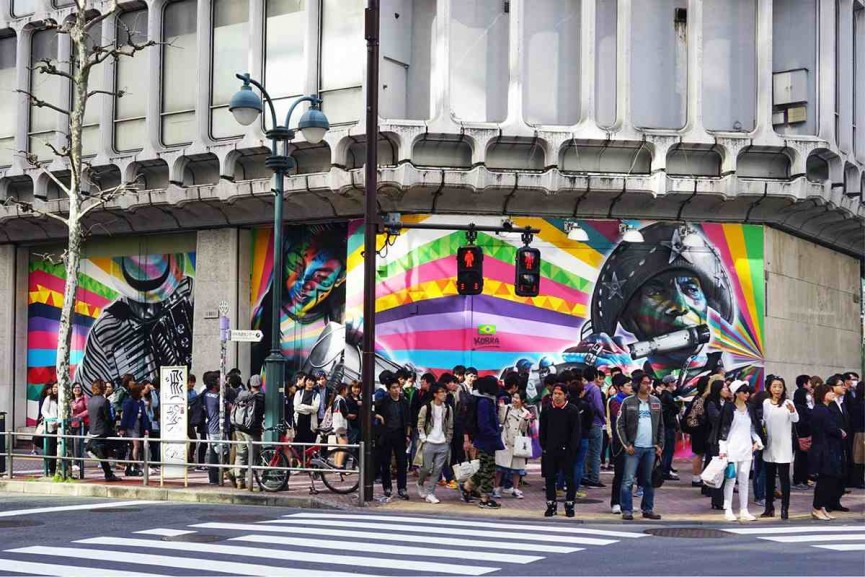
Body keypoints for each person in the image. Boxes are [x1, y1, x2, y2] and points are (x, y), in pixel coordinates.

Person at [616, 372, 664, 521]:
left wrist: (660, 445)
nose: (648, 386)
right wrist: (626, 445)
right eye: (644, 383)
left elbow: (661, 425)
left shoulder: (656, 402)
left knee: (649, 481)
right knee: (628, 480)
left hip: (651, 448)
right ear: (637, 384)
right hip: (633, 448)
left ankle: (648, 509)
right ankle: (627, 510)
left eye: (649, 383)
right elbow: (619, 425)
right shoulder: (628, 402)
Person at [717, 381, 764, 522]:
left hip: (746, 450)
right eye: (744, 391)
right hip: (731, 450)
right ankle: (728, 509)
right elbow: (723, 430)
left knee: (744, 480)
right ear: (736, 393)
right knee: (730, 480)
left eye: (748, 392)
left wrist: (757, 441)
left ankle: (744, 510)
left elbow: (753, 428)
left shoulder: (750, 408)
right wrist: (722, 449)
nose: (747, 394)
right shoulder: (728, 408)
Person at [461, 376, 504, 509]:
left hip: (485, 440)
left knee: (482, 467)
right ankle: (485, 498)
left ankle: (467, 487)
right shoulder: (485, 402)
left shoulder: (485, 400)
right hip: (487, 441)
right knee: (488, 470)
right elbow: (484, 423)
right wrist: (495, 433)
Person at [539, 383, 581, 517]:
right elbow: (542, 430)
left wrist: (571, 448)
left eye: (559, 394)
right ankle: (551, 505)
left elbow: (576, 432)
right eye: (555, 394)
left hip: (567, 450)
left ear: (565, 395)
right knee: (550, 478)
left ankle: (570, 505)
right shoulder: (546, 409)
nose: (556, 396)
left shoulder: (572, 410)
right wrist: (544, 446)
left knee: (569, 479)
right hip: (550, 449)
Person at [761, 376, 798, 519]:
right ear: (769, 388)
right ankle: (769, 507)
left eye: (780, 386)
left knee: (784, 479)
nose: (777, 389)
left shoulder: (788, 402)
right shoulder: (766, 403)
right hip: (770, 445)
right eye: (775, 386)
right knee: (769, 479)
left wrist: (792, 411)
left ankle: (784, 508)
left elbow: (796, 419)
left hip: (784, 445)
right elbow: (764, 421)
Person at [809, 383, 845, 520]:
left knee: (829, 479)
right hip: (824, 449)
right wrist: (839, 432)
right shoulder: (821, 410)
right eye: (829, 392)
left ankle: (821, 506)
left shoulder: (826, 409)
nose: (832, 394)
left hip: (829, 447)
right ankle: (817, 507)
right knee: (826, 479)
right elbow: (829, 428)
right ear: (822, 395)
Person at [415, 384, 453, 504]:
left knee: (437, 470)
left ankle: (430, 493)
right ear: (435, 394)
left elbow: (450, 425)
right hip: (429, 442)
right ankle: (420, 483)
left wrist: (447, 440)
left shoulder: (448, 408)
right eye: (442, 392)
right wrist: (423, 438)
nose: (444, 394)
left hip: (442, 442)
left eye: (445, 392)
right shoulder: (426, 407)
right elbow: (420, 424)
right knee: (426, 468)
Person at [375, 378, 411, 499]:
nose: (396, 390)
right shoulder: (384, 401)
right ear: (389, 389)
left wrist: (407, 435)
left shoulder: (404, 401)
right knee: (386, 462)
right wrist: (379, 417)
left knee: (402, 462)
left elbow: (408, 419)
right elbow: (371, 409)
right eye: (393, 388)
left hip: (400, 434)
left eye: (397, 387)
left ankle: (402, 488)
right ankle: (387, 487)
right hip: (386, 434)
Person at [493, 391, 532, 500]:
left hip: (517, 442)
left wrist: (526, 419)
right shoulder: (506, 408)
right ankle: (496, 488)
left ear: (522, 400)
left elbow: (523, 429)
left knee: (517, 468)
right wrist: (501, 408)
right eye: (514, 397)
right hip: (505, 439)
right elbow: (501, 420)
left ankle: (515, 488)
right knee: (500, 467)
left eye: (517, 398)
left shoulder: (525, 412)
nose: (514, 400)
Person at [229, 375, 265, 489]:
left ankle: (239, 480)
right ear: (260, 384)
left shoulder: (242, 395)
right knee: (253, 456)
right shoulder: (260, 397)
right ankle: (251, 482)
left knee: (241, 454)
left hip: (239, 428)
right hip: (252, 430)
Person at [86, 379, 121, 481]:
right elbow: (108, 418)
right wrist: (115, 419)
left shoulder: (90, 401)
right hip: (103, 430)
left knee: (103, 454)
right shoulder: (104, 401)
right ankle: (92, 447)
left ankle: (108, 474)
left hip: (93, 429)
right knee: (120, 444)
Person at [705, 378, 730, 509]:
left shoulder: (727, 402)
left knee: (726, 471)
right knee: (718, 470)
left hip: (728, 439)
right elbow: (716, 418)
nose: (727, 390)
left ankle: (722, 499)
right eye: (724, 387)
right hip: (716, 440)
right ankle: (717, 500)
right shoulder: (711, 403)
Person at [607, 373, 631, 514]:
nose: (631, 387)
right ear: (620, 387)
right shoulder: (615, 401)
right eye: (628, 385)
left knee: (629, 475)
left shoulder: (632, 400)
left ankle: (626, 502)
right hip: (620, 442)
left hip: (632, 441)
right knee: (620, 473)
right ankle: (615, 502)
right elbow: (620, 420)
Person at [826, 375, 850, 512]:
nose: (844, 387)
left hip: (843, 443)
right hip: (832, 443)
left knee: (842, 472)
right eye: (841, 385)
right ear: (832, 387)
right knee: (832, 473)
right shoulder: (829, 404)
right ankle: (828, 502)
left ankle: (836, 501)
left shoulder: (842, 402)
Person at [118, 382, 152, 477]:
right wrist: (122, 428)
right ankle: (134, 465)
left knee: (136, 446)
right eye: (142, 390)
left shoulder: (141, 402)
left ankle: (131, 465)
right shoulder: (129, 402)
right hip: (131, 426)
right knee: (136, 445)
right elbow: (125, 416)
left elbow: (144, 416)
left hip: (138, 426)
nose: (143, 392)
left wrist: (146, 428)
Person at [582, 367, 607, 488]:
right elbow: (598, 406)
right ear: (595, 376)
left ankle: (585, 476)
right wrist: (603, 418)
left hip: (585, 423)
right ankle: (594, 478)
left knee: (586, 452)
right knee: (596, 452)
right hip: (596, 422)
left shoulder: (584, 388)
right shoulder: (595, 389)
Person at [202, 372, 228, 485]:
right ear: (214, 383)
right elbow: (230, 407)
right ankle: (219, 476)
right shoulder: (218, 397)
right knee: (223, 452)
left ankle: (214, 478)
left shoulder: (206, 395)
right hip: (217, 427)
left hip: (210, 426)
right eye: (219, 381)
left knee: (213, 453)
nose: (221, 383)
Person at [792, 375, 814, 489]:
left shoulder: (806, 406)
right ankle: (798, 480)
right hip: (801, 436)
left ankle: (804, 479)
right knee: (800, 459)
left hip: (806, 435)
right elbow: (801, 422)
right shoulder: (800, 407)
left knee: (805, 459)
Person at [658, 375, 680, 481]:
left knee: (667, 449)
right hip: (668, 426)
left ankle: (665, 470)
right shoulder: (667, 396)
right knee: (668, 449)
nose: (675, 384)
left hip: (666, 425)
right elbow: (676, 409)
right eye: (674, 382)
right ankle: (665, 471)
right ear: (670, 383)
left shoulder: (664, 395)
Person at [293, 374, 322, 446]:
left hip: (310, 423)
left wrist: (302, 406)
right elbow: (296, 407)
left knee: (309, 444)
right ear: (305, 381)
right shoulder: (298, 393)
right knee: (298, 444)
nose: (310, 382)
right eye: (309, 380)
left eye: (312, 381)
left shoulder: (316, 395)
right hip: (299, 422)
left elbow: (315, 409)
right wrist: (309, 408)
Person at [40, 383, 59, 475]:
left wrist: (59, 422)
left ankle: (62, 468)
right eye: (54, 387)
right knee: (51, 448)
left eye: (57, 387)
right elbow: (44, 411)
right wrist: (52, 421)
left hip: (61, 427)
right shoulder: (48, 398)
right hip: (51, 427)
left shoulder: (65, 398)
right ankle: (52, 469)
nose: (55, 389)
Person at [70, 382, 90, 473]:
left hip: (82, 424)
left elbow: (88, 410)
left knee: (78, 443)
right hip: (71, 424)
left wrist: (79, 416)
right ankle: (73, 461)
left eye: (78, 387)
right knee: (71, 443)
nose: (77, 389)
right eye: (75, 387)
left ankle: (76, 463)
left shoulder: (84, 398)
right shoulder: (70, 399)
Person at [346, 380, 362, 444]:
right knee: (351, 442)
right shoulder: (348, 398)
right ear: (351, 388)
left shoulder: (358, 397)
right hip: (350, 425)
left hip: (358, 424)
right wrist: (357, 404)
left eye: (358, 388)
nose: (357, 390)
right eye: (355, 388)